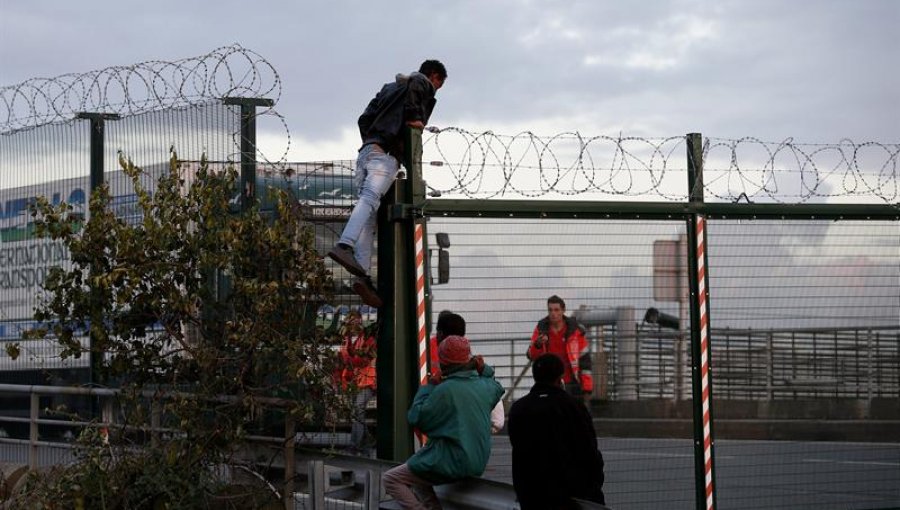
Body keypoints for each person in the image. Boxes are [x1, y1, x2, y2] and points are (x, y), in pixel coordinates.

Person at [328, 60, 448, 308]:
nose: (435, 90)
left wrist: (374, 139)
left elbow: (364, 118)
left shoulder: (387, 88)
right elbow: (419, 83)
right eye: (438, 85)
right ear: (435, 76)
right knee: (370, 200)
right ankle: (344, 245)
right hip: (384, 157)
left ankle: (361, 273)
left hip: (366, 152)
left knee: (369, 215)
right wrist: (415, 119)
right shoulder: (420, 82)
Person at [383, 335, 504, 509]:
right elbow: (497, 386)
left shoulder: (444, 390)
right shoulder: (485, 387)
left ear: (443, 363)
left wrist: (430, 386)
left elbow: (416, 418)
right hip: (477, 461)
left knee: (392, 479)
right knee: (419, 476)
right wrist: (484, 369)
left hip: (452, 461)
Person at [508, 353, 606, 509]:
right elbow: (588, 450)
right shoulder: (573, 406)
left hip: (530, 494)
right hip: (569, 496)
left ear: (535, 376)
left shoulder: (518, 408)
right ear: (561, 378)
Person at [526, 295, 593, 397]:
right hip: (549, 383)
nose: (553, 313)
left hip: (572, 383)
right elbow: (531, 356)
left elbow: (585, 360)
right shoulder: (541, 329)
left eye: (556, 310)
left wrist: (587, 387)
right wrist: (538, 344)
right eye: (550, 310)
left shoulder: (575, 331)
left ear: (563, 310)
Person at [337, 310, 377, 453]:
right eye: (351, 321)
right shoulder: (347, 339)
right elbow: (344, 358)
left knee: (357, 410)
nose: (354, 323)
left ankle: (355, 444)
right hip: (355, 382)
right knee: (357, 412)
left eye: (356, 321)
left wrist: (351, 361)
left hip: (368, 381)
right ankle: (368, 439)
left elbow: (362, 359)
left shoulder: (367, 338)